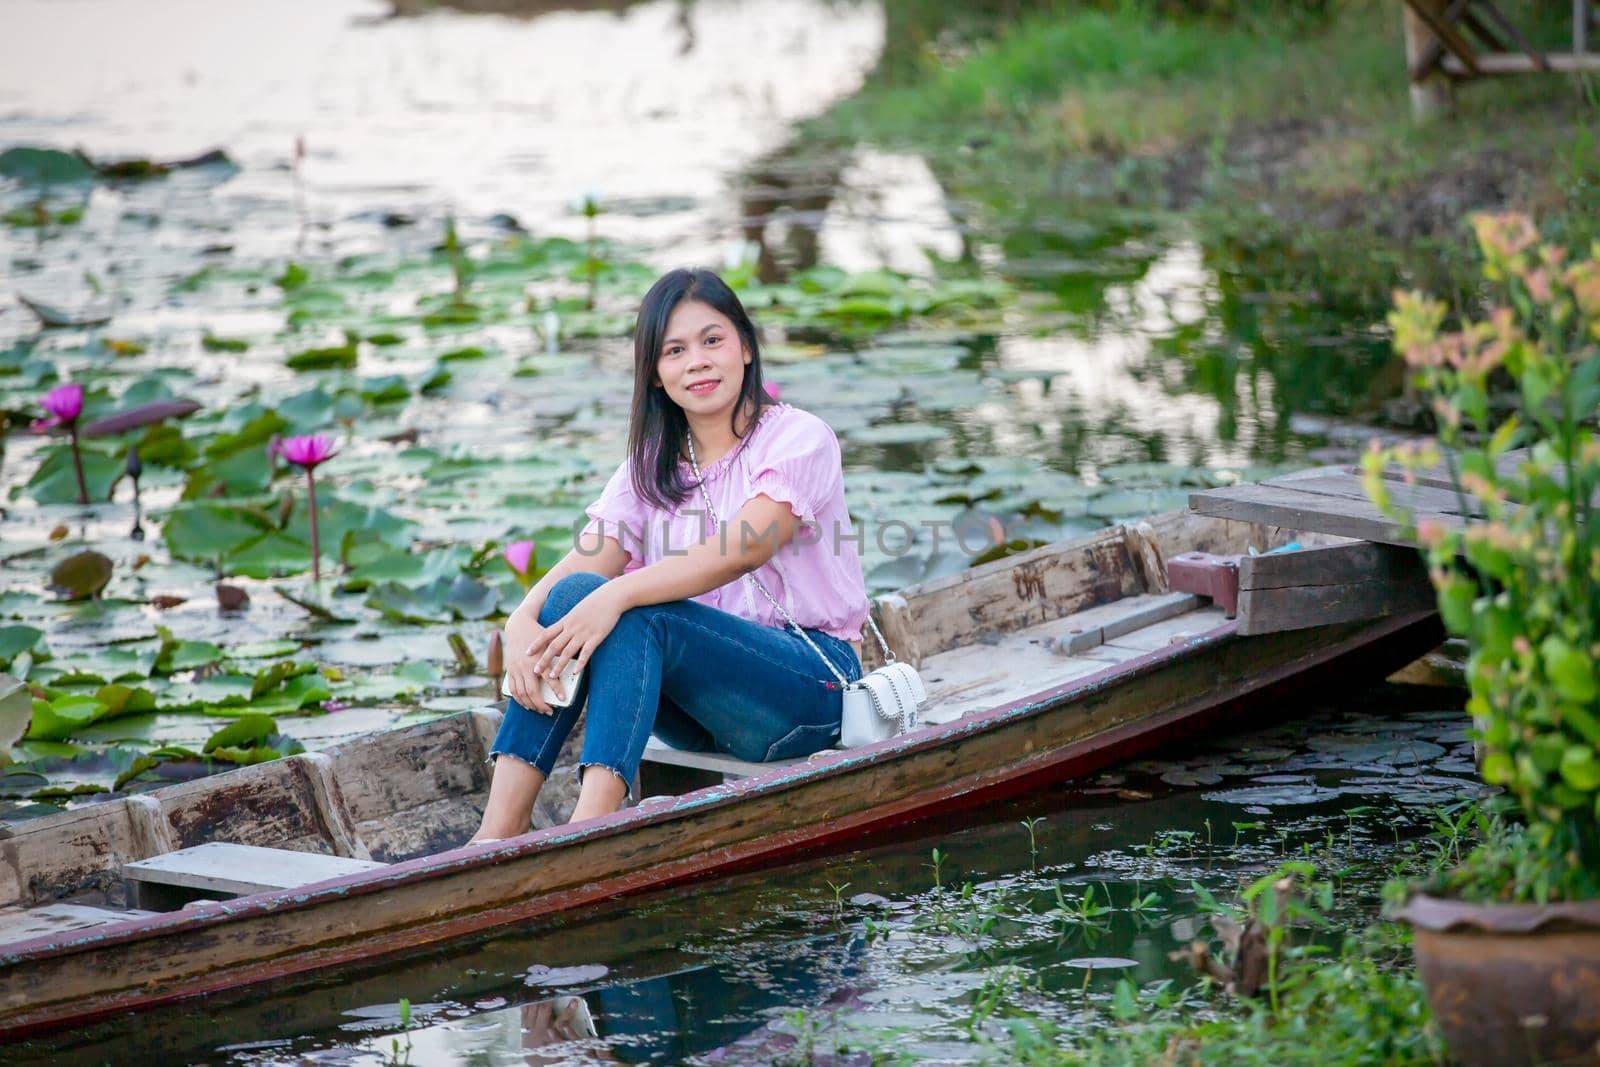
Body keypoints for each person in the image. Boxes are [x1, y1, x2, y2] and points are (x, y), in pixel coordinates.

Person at [471, 267, 868, 841]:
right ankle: (497, 832)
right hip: (707, 710)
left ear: (746, 348)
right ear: (656, 375)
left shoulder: (799, 439)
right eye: (675, 350)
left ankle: (592, 824)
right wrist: (521, 619)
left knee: (636, 611)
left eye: (713, 341)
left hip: (812, 689)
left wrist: (620, 594)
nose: (697, 362)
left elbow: (739, 552)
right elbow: (585, 565)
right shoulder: (651, 466)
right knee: (577, 596)